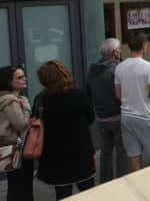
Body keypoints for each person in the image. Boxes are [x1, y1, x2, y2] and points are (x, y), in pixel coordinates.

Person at [36, 61, 95, 200]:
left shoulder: (41, 99)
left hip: (55, 154)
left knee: (62, 193)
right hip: (80, 151)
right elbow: (90, 118)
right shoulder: (78, 95)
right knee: (89, 192)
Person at [115, 32, 150, 172]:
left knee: (134, 155)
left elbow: (118, 94)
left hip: (126, 116)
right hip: (144, 114)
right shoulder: (148, 67)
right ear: (144, 46)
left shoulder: (119, 67)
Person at [86, 38, 127, 183]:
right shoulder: (116, 69)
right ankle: (122, 180)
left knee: (106, 150)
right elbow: (122, 93)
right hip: (117, 114)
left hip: (101, 116)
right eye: (119, 49)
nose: (121, 52)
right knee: (122, 150)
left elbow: (89, 92)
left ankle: (106, 181)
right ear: (115, 52)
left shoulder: (92, 70)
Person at [0, 66, 33, 201]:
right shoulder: (10, 100)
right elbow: (21, 124)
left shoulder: (4, 98)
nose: (24, 79)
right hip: (17, 148)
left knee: (15, 185)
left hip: (9, 147)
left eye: (24, 75)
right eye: (19, 77)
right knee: (22, 186)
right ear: (9, 81)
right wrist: (26, 107)